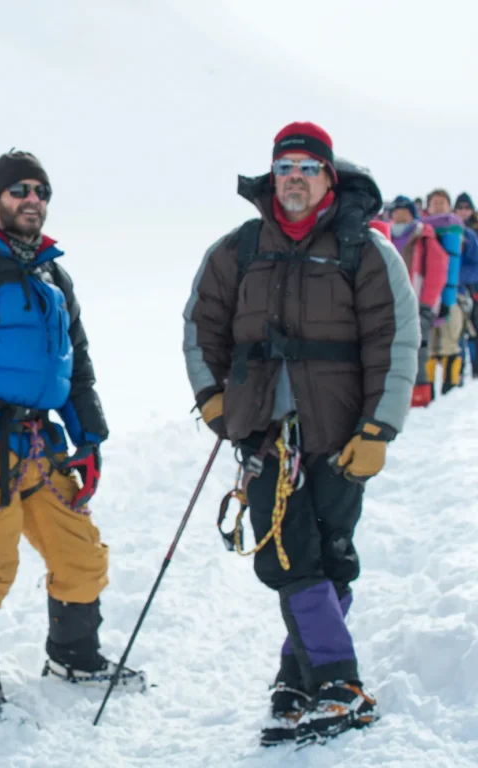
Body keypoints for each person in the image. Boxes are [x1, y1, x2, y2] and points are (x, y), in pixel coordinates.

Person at [183, 122, 419, 746]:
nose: (294, 177)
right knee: (287, 554)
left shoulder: (366, 251)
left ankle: (297, 679)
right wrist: (212, 400)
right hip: (265, 433)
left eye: (307, 167)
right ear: (272, 175)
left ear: (328, 177)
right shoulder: (237, 249)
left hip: (342, 434)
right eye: (284, 166)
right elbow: (200, 325)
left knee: (330, 554)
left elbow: (395, 342)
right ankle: (339, 681)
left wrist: (379, 428)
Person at [0, 149, 140, 735]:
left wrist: (90, 439)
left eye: (40, 190)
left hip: (43, 445)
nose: (31, 199)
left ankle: (74, 658)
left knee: (81, 556)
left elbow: (76, 364)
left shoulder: (53, 274)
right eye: (19, 190)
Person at [386, 195, 449, 406]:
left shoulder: (425, 238)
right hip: (390, 305)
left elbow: (437, 274)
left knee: (417, 351)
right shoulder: (385, 236)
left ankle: (420, 396)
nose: (400, 217)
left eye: (405, 213)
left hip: (418, 304)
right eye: (397, 213)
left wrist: (427, 305)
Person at [422, 190, 467, 392]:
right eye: (434, 203)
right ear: (428, 207)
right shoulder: (421, 232)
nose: (438, 206)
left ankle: (451, 388)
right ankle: (428, 391)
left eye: (442, 203)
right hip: (427, 295)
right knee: (429, 345)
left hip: (455, 295)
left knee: (450, 342)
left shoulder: (464, 234)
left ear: (449, 206)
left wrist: (456, 273)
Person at [453, 192, 478, 376]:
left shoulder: (472, 232)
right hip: (456, 288)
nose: (463, 211)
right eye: (460, 208)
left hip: (471, 288)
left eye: (466, 208)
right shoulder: (450, 229)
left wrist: (457, 275)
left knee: (473, 329)